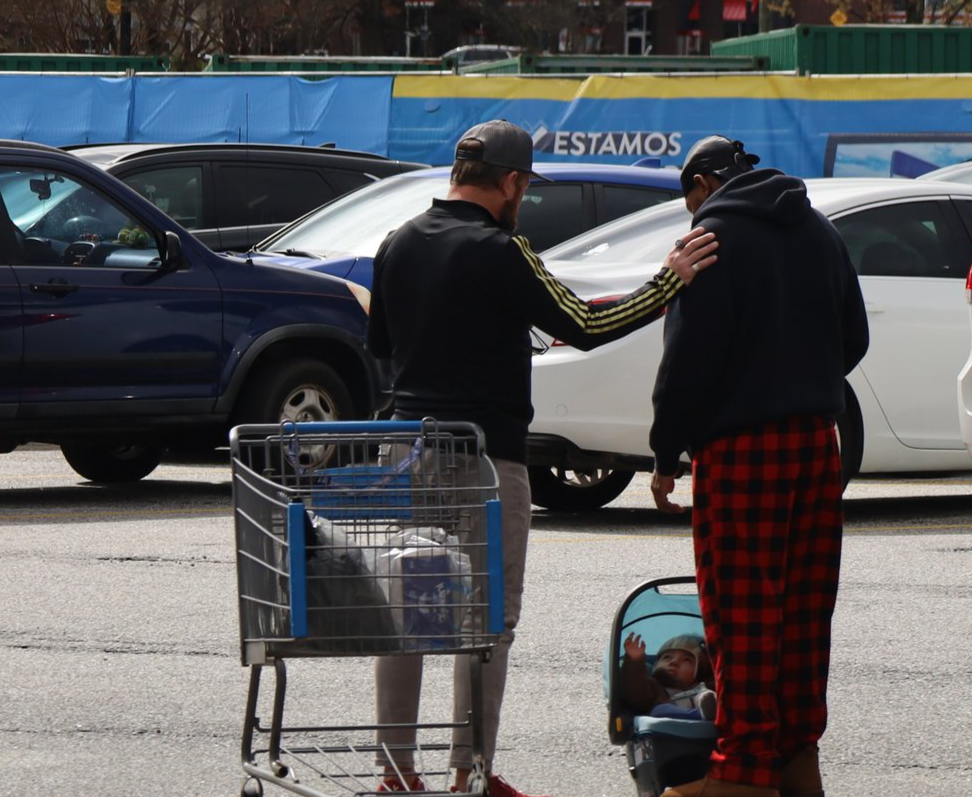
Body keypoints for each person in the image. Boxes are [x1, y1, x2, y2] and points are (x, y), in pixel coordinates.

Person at [366, 119, 718, 796]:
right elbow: (586, 324)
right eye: (523, 184)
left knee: (403, 612)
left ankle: (395, 773)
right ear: (510, 182)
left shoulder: (396, 243)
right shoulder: (504, 249)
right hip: (487, 456)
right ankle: (470, 772)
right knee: (489, 619)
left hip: (405, 447)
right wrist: (668, 280)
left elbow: (381, 342)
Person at [648, 136, 870, 797]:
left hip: (741, 448)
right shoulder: (818, 229)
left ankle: (743, 770)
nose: (690, 210)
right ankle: (797, 758)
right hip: (815, 442)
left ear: (703, 183)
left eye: (690, 195)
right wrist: (802, 376)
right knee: (804, 608)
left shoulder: (712, 238)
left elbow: (687, 360)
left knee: (742, 607)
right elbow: (854, 335)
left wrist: (666, 453)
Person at [620, 632, 717, 721]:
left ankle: (709, 709)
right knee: (660, 710)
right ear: (656, 665)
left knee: (705, 695)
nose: (674, 662)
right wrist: (635, 661)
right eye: (667, 657)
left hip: (701, 705)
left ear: (700, 670)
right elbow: (636, 691)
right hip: (667, 726)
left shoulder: (701, 687)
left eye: (686, 660)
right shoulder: (654, 686)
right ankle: (700, 715)